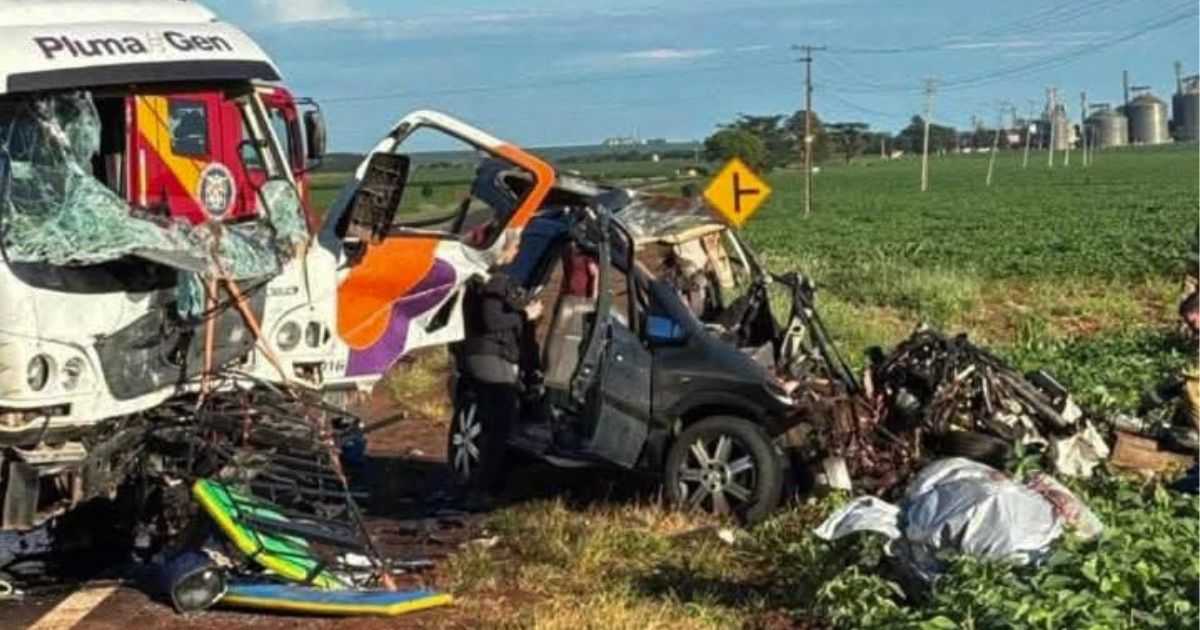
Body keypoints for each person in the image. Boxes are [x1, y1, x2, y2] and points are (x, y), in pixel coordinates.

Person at [460, 237, 543, 503]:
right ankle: (486, 490)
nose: (518, 250)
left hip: (474, 356)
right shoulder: (496, 282)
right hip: (491, 359)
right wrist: (525, 315)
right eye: (515, 245)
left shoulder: (477, 279)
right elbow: (492, 320)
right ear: (503, 249)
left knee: (489, 425)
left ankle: (478, 487)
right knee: (502, 426)